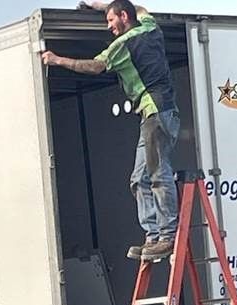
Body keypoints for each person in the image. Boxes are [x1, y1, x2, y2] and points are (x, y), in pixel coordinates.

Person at [42, 0, 180, 262]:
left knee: (158, 175)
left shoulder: (124, 44)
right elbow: (141, 8)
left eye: (110, 20)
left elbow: (95, 66)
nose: (109, 27)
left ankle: (166, 237)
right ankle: (153, 237)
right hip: (157, 114)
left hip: (155, 111)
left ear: (123, 17)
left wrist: (56, 59)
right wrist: (99, 5)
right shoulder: (150, 28)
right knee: (139, 179)